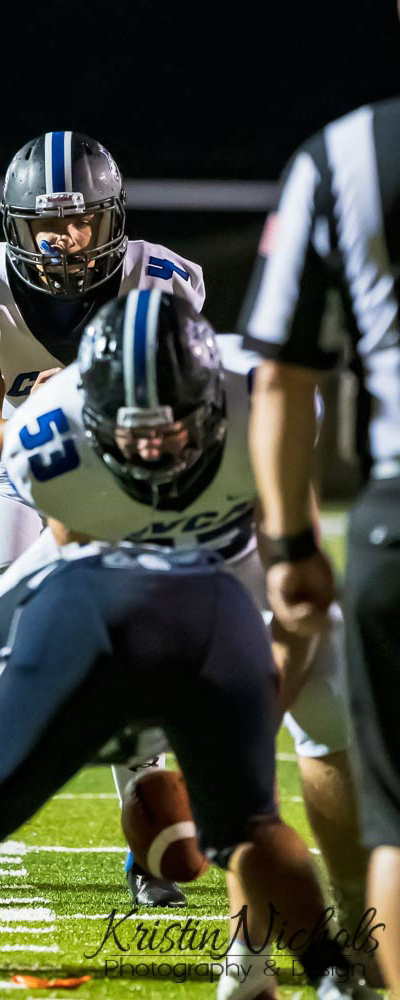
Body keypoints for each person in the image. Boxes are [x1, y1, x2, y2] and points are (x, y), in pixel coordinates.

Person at [0, 289, 370, 944]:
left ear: (213, 404)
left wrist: (247, 727)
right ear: (92, 416)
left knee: (329, 698)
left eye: (170, 429)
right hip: (124, 567)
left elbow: (297, 592)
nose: (152, 452)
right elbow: (80, 575)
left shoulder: (262, 398)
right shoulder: (51, 440)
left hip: (240, 560)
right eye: (133, 432)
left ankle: (354, 906)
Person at [0, 130, 204, 906]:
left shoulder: (158, 283)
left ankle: (148, 848)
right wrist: (48, 418)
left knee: (133, 651)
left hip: (117, 482)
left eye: (80, 219)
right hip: (18, 478)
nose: (65, 236)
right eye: (47, 221)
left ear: (110, 218)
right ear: (17, 224)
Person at [0, 540, 369, 1000]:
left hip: (138, 613)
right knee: (254, 826)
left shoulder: (43, 598)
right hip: (158, 612)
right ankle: (324, 975)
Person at [238, 95, 400, 995]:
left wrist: (292, 544)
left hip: (396, 514)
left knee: (397, 824)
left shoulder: (345, 154)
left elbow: (283, 375)